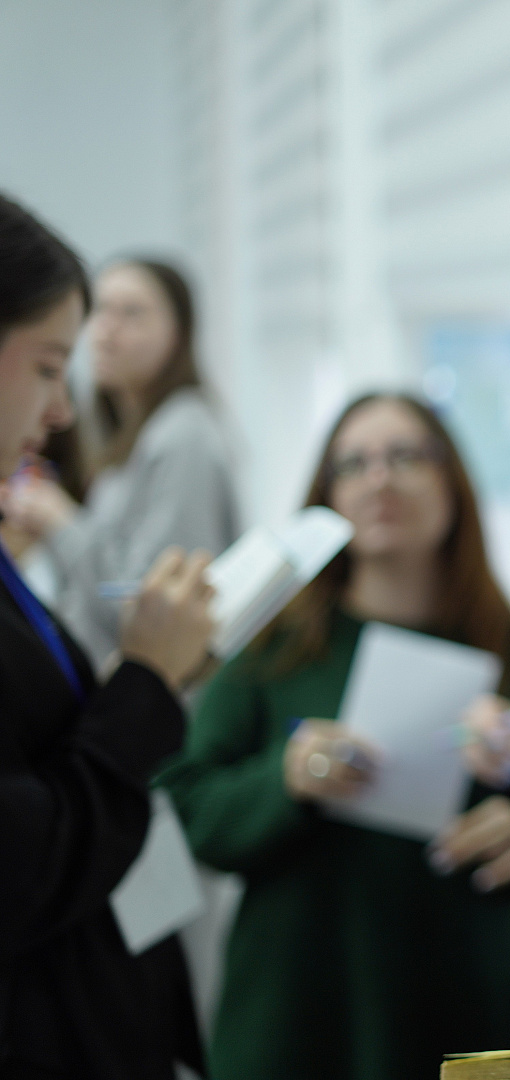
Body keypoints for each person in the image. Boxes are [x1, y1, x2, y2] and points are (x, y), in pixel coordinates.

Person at [159, 393, 510, 1080]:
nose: (378, 479)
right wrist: (284, 780)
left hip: (469, 1005)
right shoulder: (273, 647)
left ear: (454, 484)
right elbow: (189, 805)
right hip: (305, 1010)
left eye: (406, 457)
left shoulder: (505, 642)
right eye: (353, 464)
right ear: (325, 497)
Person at [0, 193, 216, 1078]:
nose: (58, 409)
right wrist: (146, 682)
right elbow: (24, 857)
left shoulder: (182, 438)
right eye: (50, 365)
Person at [0, 257, 238, 667]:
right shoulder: (124, 433)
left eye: (132, 313)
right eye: (99, 312)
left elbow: (156, 603)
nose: (107, 332)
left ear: (178, 333)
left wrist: (61, 523)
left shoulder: (183, 434)